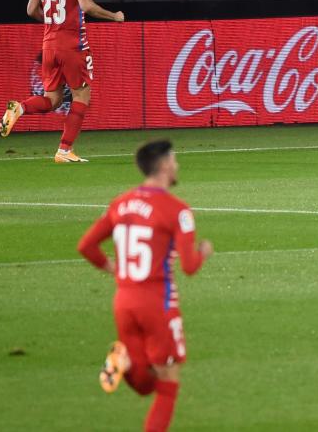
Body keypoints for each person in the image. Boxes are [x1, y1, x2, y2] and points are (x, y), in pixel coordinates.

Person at [77, 140, 213, 432]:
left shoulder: (121, 202)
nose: (177, 165)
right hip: (157, 304)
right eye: (174, 160)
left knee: (145, 386)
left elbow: (86, 246)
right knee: (168, 382)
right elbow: (189, 267)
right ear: (163, 166)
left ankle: (122, 362)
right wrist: (204, 251)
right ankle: (123, 363)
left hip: (124, 301)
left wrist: (113, 268)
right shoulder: (178, 210)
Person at [0, 0, 124, 163]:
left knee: (53, 99)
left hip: (49, 44)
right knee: (81, 96)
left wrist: (51, 22)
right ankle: (64, 150)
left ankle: (20, 108)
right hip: (72, 45)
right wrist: (114, 16)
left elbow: (30, 9)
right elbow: (87, 7)